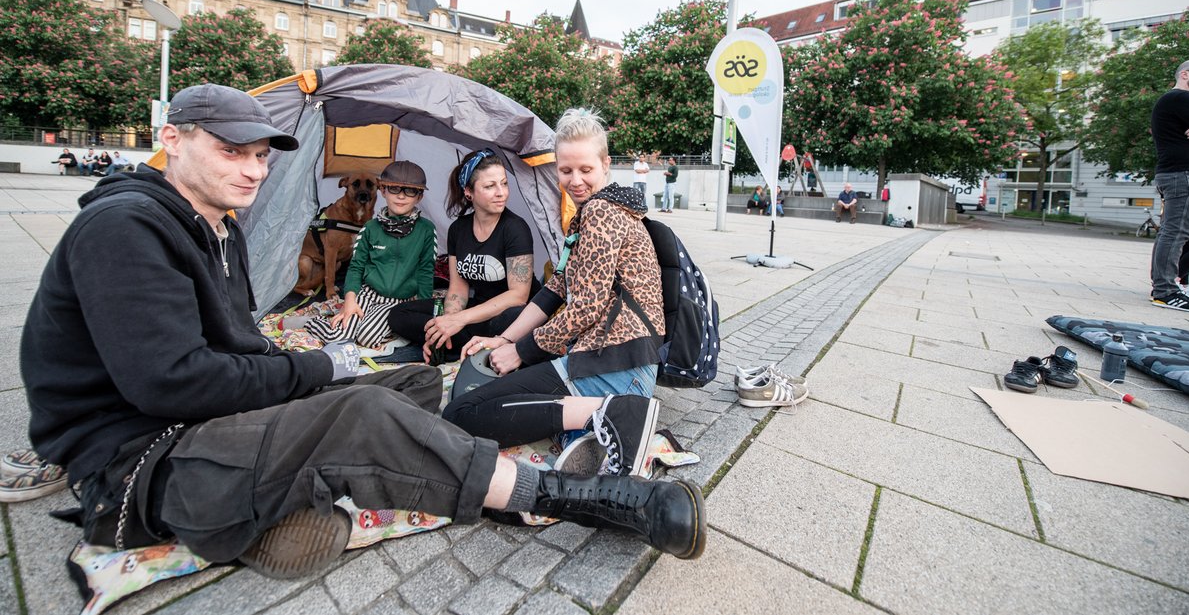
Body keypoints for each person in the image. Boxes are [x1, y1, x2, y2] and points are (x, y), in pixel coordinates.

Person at [19, 84, 706, 580]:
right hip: (143, 461)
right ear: (171, 140)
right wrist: (320, 370)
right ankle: (571, 496)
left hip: (205, 420)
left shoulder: (214, 229)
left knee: (410, 382)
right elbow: (174, 382)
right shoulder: (125, 229)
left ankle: (304, 496)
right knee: (364, 407)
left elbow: (236, 345)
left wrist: (319, 367)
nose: (253, 169)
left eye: (261, 155)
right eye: (232, 151)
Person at [443, 109, 666, 478]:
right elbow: (555, 288)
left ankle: (616, 414)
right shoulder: (600, 210)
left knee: (462, 413)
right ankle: (592, 432)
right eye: (566, 171)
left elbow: (585, 309)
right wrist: (504, 339)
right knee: (518, 390)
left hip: (613, 365)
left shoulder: (601, 213)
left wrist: (519, 351)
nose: (575, 181)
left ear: (605, 165)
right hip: (618, 361)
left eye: (585, 169)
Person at [388, 149, 535, 364]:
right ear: (468, 192)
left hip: (509, 315)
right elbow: (458, 288)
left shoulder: (515, 228)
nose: (501, 193)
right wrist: (447, 323)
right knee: (399, 314)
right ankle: (453, 343)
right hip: (477, 309)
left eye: (504, 184)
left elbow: (518, 296)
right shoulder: (459, 229)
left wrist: (460, 319)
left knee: (514, 316)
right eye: (490, 186)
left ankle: (464, 344)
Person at [306, 161, 436, 348]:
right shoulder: (370, 228)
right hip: (367, 294)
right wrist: (350, 300)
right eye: (394, 189)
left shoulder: (426, 230)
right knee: (340, 335)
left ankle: (368, 325)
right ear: (383, 190)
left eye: (410, 191)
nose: (401, 196)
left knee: (367, 337)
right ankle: (313, 323)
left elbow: (426, 271)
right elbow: (356, 267)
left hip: (398, 301)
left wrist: (421, 309)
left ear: (419, 196)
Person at [1150, 58, 1189, 310]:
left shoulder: (1179, 102)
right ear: (1185, 74)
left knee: (1179, 232)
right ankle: (1165, 291)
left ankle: (1173, 284)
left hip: (1181, 174)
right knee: (1176, 232)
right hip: (1184, 175)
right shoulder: (1181, 98)